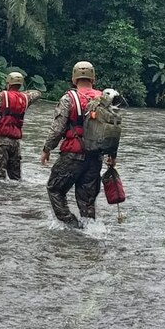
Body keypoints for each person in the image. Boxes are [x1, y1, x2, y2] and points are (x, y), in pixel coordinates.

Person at [40, 61, 116, 228]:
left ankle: (72, 226)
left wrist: (47, 149)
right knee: (87, 201)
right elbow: (113, 130)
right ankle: (89, 234)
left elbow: (58, 129)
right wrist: (112, 156)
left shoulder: (68, 98)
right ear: (93, 78)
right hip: (96, 157)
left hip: (72, 155)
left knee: (54, 189)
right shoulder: (104, 100)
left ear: (74, 79)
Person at [0, 72, 41, 180]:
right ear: (21, 84)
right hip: (16, 143)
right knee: (15, 177)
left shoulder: (2, 97)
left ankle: (0, 195)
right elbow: (37, 93)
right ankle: (14, 196)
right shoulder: (25, 98)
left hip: (2, 141)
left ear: (8, 84)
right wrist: (22, 94)